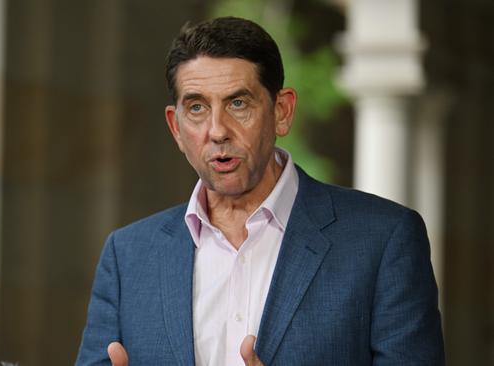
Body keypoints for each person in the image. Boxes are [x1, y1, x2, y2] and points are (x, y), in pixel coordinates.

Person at [76, 16, 444, 366]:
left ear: (282, 111)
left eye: (238, 103)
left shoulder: (384, 240)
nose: (217, 130)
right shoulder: (128, 257)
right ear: (176, 127)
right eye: (197, 108)